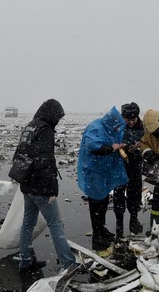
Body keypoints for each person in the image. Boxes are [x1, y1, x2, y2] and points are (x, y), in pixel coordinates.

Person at [15, 99, 78, 273]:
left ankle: (25, 261)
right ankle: (68, 263)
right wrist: (51, 188)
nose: (58, 120)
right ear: (51, 114)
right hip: (40, 186)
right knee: (55, 223)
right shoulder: (45, 130)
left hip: (27, 184)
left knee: (28, 222)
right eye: (57, 116)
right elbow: (45, 161)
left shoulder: (30, 126)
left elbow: (20, 153)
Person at [77, 107, 128, 252]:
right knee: (96, 202)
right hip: (93, 171)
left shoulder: (110, 129)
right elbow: (94, 147)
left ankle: (101, 228)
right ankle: (97, 233)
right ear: (112, 122)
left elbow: (115, 142)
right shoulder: (96, 128)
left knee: (103, 199)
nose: (118, 129)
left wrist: (119, 147)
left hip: (103, 170)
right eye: (117, 126)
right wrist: (112, 147)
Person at [113, 102, 145, 237]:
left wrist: (138, 148)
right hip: (120, 166)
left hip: (135, 166)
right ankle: (119, 223)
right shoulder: (117, 127)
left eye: (134, 119)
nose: (131, 122)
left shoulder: (143, 128)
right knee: (119, 193)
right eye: (128, 119)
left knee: (135, 193)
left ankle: (134, 218)